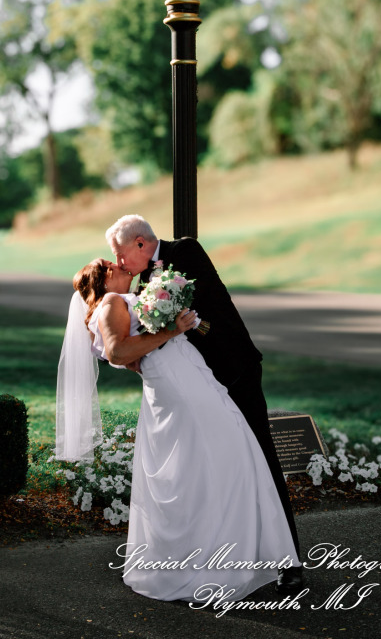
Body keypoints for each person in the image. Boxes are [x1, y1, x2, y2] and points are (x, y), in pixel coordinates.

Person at [55, 256, 301, 604]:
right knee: (226, 455)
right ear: (105, 278)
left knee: (209, 462)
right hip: (180, 388)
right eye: (111, 264)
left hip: (182, 379)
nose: (120, 264)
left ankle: (217, 555)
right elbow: (117, 351)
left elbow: (130, 355)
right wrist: (172, 330)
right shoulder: (111, 301)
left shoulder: (125, 300)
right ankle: (214, 561)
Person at [106, 214, 303, 594]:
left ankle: (288, 561)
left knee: (261, 458)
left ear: (141, 244)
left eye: (120, 252)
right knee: (214, 470)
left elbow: (206, 307)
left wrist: (184, 325)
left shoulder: (186, 252)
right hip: (195, 387)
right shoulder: (142, 280)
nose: (119, 262)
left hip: (233, 370)